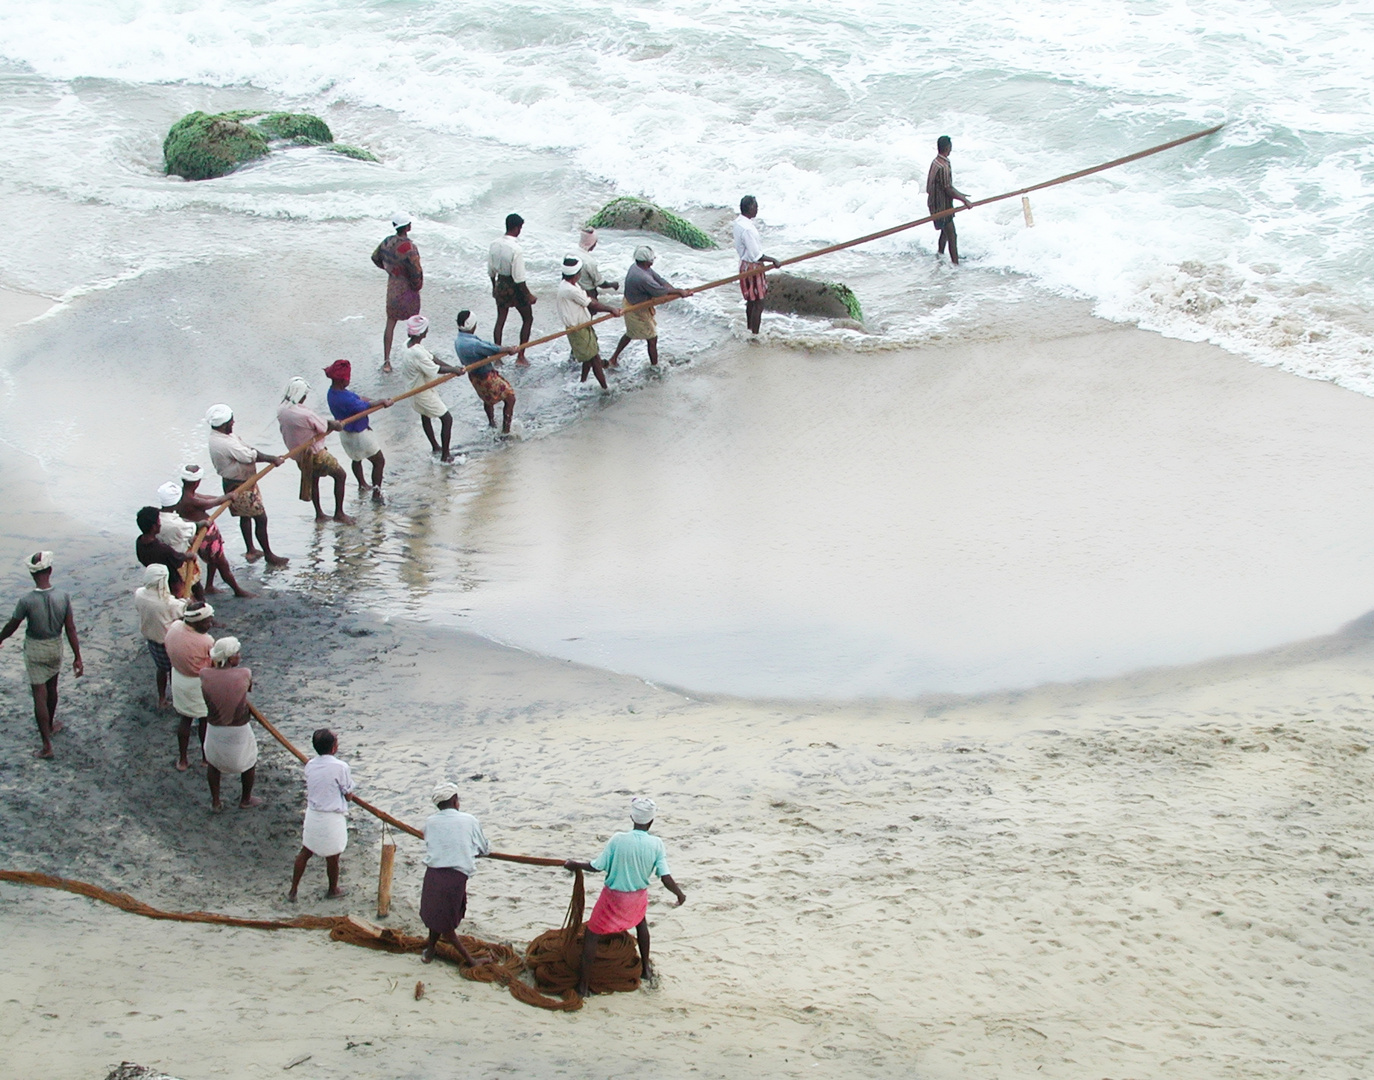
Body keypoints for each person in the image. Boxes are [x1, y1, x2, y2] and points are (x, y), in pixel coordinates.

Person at [564, 797, 685, 996]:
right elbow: (665, 877)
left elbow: (596, 866)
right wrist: (680, 894)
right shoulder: (657, 844)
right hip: (637, 899)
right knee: (641, 924)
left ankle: (583, 986)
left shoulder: (618, 839)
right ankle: (645, 969)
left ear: (632, 817)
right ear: (651, 821)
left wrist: (575, 864)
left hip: (613, 899)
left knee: (592, 934)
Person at [0, 551, 83, 759]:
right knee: (52, 688)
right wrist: (77, 657)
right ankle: (52, 724)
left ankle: (46, 745)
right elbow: (70, 629)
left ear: (32, 574)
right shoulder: (62, 597)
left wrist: (0, 638)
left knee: (39, 694)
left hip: (35, 648)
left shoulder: (26, 600)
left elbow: (12, 625)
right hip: (55, 646)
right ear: (50, 570)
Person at [206, 403, 289, 567]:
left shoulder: (220, 435)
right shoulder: (224, 442)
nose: (233, 423)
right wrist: (272, 459)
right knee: (260, 518)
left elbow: (245, 450)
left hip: (239, 481)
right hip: (240, 486)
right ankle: (268, 555)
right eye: (231, 421)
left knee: (245, 515)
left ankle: (251, 549)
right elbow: (248, 456)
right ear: (223, 424)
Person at [419, 780, 491, 966]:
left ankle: (431, 950)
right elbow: (484, 848)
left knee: (437, 914)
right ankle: (470, 960)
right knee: (447, 924)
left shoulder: (430, 822)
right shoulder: (469, 820)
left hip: (434, 874)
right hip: (455, 876)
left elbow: (429, 840)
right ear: (455, 801)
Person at [277, 377, 354, 525]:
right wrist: (335, 425)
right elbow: (323, 427)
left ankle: (319, 514)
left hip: (299, 455)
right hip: (314, 453)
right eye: (304, 395)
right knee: (340, 475)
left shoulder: (281, 410)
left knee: (313, 479)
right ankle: (339, 513)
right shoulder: (304, 414)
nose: (305, 397)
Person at [288, 728, 353, 901]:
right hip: (331, 817)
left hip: (314, 815)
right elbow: (348, 794)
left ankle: (293, 890)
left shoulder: (310, 764)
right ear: (333, 748)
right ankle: (332, 889)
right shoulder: (341, 767)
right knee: (333, 857)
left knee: (305, 852)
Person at [173, 464, 255, 598]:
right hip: (204, 536)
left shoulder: (184, 494)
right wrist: (226, 498)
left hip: (204, 532)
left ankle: (209, 586)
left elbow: (206, 498)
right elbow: (210, 503)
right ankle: (237, 590)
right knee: (222, 564)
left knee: (213, 561)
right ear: (197, 482)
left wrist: (226, 497)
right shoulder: (189, 499)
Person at [200, 636, 261, 811]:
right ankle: (245, 799)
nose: (239, 656)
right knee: (249, 762)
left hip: (215, 728)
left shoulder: (204, 675)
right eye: (237, 654)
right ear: (230, 657)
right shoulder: (244, 673)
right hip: (239, 729)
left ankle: (216, 802)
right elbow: (247, 689)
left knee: (214, 763)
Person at [606, 246, 692, 368]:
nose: (653, 261)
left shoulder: (638, 267)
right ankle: (655, 366)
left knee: (630, 334)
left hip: (634, 303)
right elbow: (660, 291)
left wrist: (678, 291)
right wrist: (679, 291)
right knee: (651, 338)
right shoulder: (642, 277)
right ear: (647, 261)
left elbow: (660, 281)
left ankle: (613, 358)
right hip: (635, 309)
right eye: (652, 259)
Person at [400, 315, 463, 462]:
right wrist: (453, 370)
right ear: (422, 332)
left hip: (416, 387)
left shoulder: (408, 345)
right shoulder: (416, 352)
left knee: (425, 415)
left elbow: (432, 357)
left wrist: (453, 368)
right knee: (447, 419)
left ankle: (435, 446)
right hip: (420, 391)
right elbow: (434, 369)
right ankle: (445, 455)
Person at [323, 359, 392, 497]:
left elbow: (359, 398)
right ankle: (377, 492)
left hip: (345, 434)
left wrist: (376, 401)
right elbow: (362, 406)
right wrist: (382, 402)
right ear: (343, 380)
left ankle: (362, 484)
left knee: (356, 458)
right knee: (379, 461)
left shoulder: (332, 393)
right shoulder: (345, 399)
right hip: (359, 435)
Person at [162, 600, 215, 771]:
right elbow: (214, 663)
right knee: (204, 720)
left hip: (179, 677)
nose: (210, 624)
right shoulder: (206, 641)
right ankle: (205, 757)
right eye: (207, 621)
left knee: (185, 719)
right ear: (197, 622)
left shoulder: (174, 627)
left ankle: (183, 759)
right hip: (197, 683)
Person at [558, 255, 622, 390]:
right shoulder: (570, 290)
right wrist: (611, 309)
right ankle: (605, 388)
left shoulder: (569, 285)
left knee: (589, 356)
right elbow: (591, 303)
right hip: (578, 329)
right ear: (576, 275)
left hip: (583, 326)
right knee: (594, 358)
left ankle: (583, 382)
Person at [371, 213, 423, 372]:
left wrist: (390, 270)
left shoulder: (387, 241)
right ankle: (416, 357)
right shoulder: (409, 247)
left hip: (393, 286)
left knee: (390, 323)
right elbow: (416, 270)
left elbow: (375, 257)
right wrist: (417, 285)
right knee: (415, 324)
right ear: (407, 227)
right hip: (407, 288)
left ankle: (386, 361)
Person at [454, 310, 517, 435]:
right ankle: (506, 431)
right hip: (486, 376)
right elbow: (491, 350)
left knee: (487, 399)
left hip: (474, 376)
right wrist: (509, 349)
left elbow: (485, 344)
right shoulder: (472, 344)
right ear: (472, 325)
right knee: (510, 398)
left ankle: (492, 422)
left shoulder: (459, 340)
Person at [134, 563, 186, 711]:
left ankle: (162, 697)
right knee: (175, 672)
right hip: (169, 642)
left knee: (161, 669)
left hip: (152, 640)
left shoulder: (139, 594)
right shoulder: (168, 603)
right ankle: (178, 699)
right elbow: (184, 609)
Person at [488, 213, 537, 364]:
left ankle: (497, 357)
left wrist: (494, 287)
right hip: (513, 287)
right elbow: (519, 279)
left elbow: (491, 270)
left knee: (500, 319)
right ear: (516, 228)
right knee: (527, 318)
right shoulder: (516, 249)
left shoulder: (494, 244)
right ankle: (521, 356)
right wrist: (528, 295)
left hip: (500, 283)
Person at [733, 196, 780, 335]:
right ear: (749, 208)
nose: (757, 209)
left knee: (751, 301)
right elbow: (756, 255)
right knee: (758, 302)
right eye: (755, 206)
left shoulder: (738, 223)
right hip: (752, 267)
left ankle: (749, 328)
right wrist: (774, 260)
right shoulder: (747, 229)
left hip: (744, 264)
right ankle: (754, 334)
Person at [927, 135, 972, 265]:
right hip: (941, 206)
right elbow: (948, 189)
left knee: (944, 231)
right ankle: (955, 265)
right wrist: (964, 200)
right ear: (948, 148)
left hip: (935, 202)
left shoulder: (936, 162)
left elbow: (946, 187)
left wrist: (960, 194)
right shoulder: (943, 167)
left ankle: (940, 255)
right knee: (952, 235)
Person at [136, 505, 197, 600]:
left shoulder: (139, 542)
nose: (160, 524)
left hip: (155, 579)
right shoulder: (163, 549)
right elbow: (177, 560)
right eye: (158, 521)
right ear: (153, 527)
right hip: (172, 581)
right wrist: (187, 556)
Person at [156, 483, 203, 598]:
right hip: (181, 559)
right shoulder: (177, 525)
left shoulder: (156, 518)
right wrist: (202, 524)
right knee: (193, 586)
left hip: (164, 559)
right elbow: (193, 528)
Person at [575, 227, 619, 300]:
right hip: (588, 293)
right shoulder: (589, 262)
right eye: (595, 242)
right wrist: (613, 285)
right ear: (592, 243)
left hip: (575, 291)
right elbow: (600, 283)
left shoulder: (570, 254)